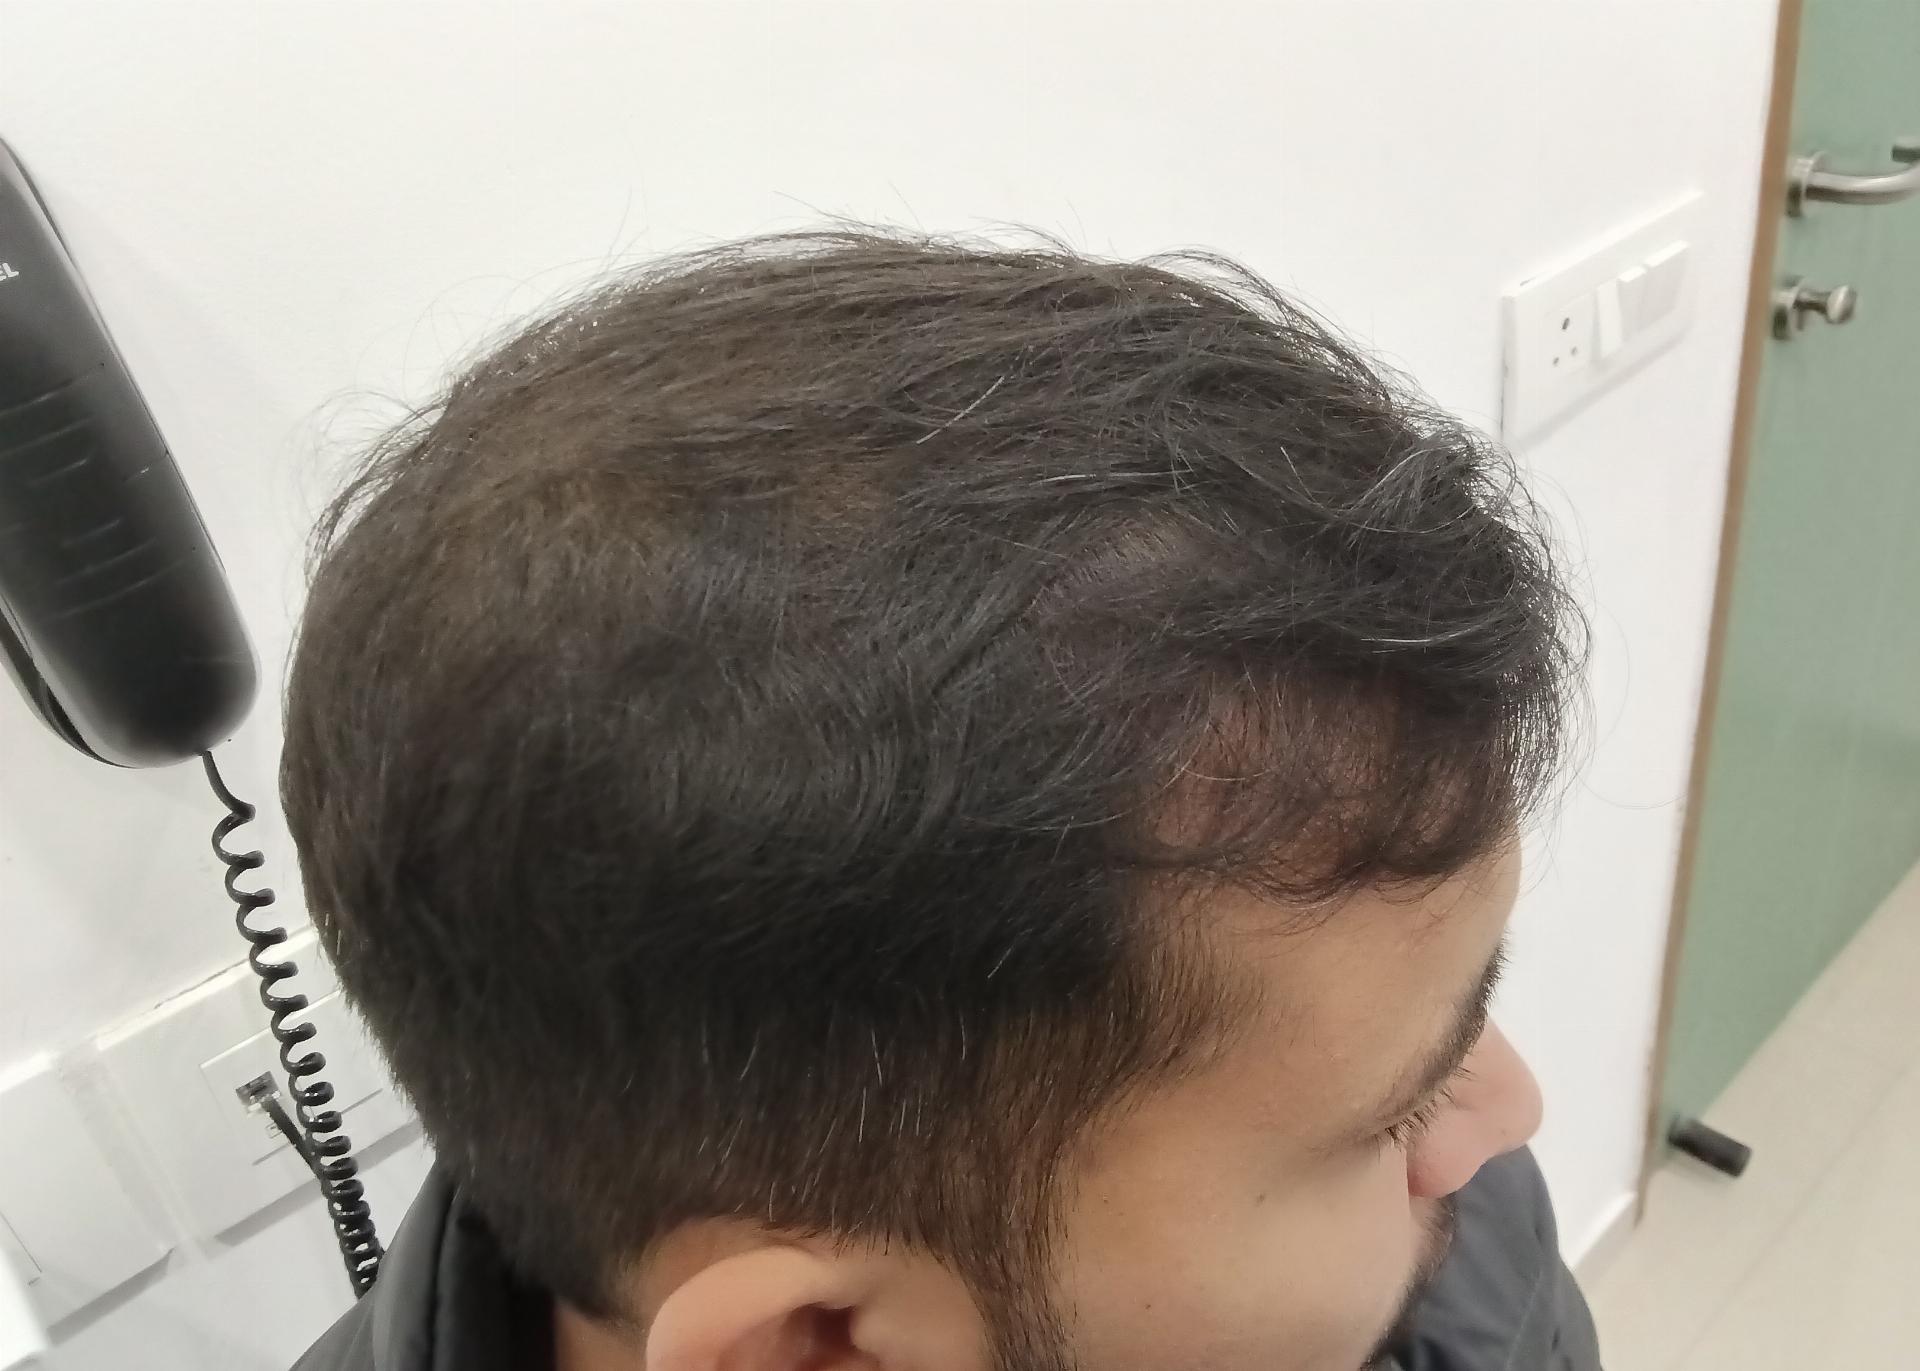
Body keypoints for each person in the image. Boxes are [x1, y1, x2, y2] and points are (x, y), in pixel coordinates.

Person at [282, 228, 1599, 1371]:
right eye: (1398, 1114)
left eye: (1459, 1022)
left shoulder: (1458, 1257)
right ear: (819, 1348)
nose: (1509, 1115)